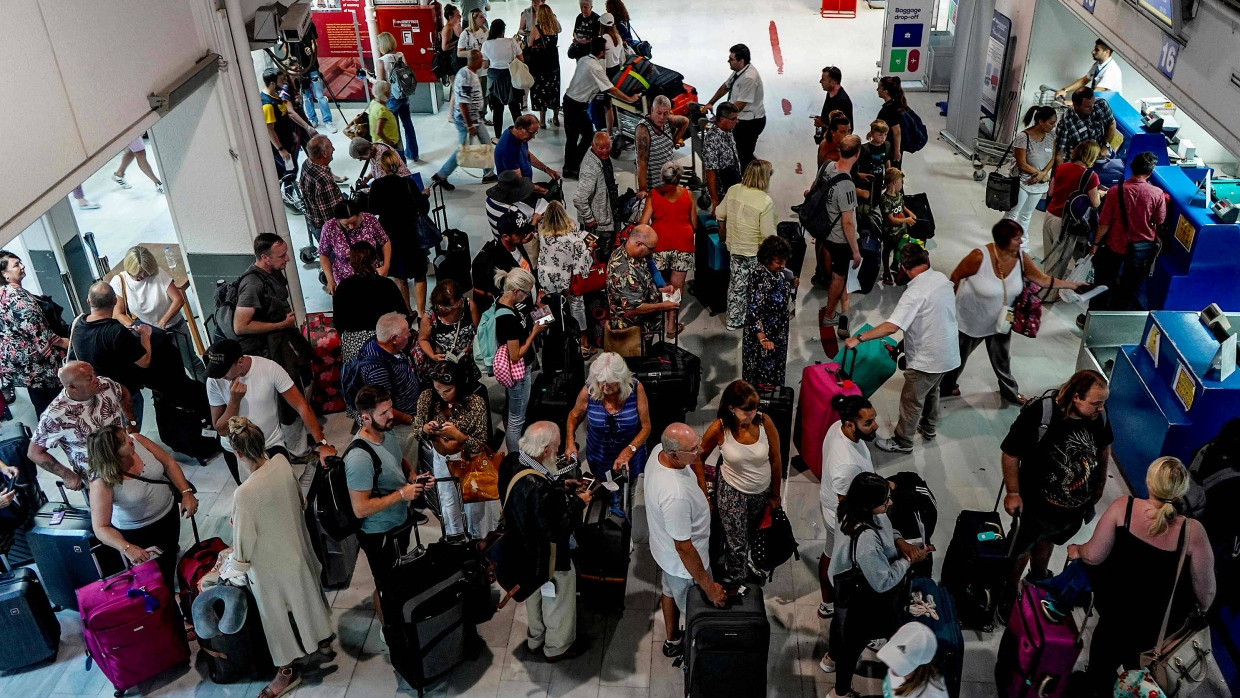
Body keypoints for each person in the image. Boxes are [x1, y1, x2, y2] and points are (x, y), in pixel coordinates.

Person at [1069, 457, 1215, 696]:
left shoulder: (1123, 508)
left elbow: (1094, 555)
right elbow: (1206, 594)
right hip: (1159, 634)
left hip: (1114, 618)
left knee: (1099, 672)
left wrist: (1077, 550)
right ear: (1181, 490)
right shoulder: (1192, 532)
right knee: (1143, 683)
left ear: (1150, 483)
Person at [225, 416, 335, 698]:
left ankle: (286, 670)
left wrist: (235, 564)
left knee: (275, 619)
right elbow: (300, 502)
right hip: (297, 548)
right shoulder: (282, 463)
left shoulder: (244, 494)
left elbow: (243, 548)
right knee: (308, 595)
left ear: (237, 453)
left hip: (270, 565)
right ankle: (322, 639)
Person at [940, 220, 1082, 404]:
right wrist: (947, 309)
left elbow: (1043, 280)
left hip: (1001, 321)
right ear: (1004, 240)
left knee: (1002, 360)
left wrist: (1073, 285)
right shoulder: (978, 257)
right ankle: (946, 386)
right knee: (958, 356)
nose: (1021, 241)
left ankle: (1010, 392)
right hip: (970, 320)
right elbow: (955, 277)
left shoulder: (1021, 257)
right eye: (1016, 238)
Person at [1001, 369, 1112, 593]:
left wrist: (1099, 485)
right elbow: (1010, 453)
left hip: (1069, 511)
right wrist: (1013, 492)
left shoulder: (1097, 416)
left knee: (1047, 542)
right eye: (1096, 403)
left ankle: (1038, 579)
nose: (1100, 408)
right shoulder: (1040, 413)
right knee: (1021, 548)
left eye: (1102, 403)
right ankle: (1009, 592)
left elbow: (1103, 447)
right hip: (1035, 506)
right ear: (1076, 397)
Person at [845, 244, 960, 455]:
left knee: (911, 401)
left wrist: (858, 338)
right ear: (927, 261)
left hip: (928, 358)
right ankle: (929, 427)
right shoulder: (941, 279)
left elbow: (892, 326)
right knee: (932, 389)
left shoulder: (914, 292)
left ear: (905, 269)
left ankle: (903, 441)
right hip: (949, 353)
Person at [822, 472, 929, 696]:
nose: (889, 503)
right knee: (852, 646)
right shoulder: (867, 541)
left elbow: (885, 528)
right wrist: (908, 560)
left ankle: (830, 658)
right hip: (862, 598)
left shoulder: (847, 508)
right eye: (884, 501)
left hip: (844, 585)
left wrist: (900, 543)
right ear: (869, 504)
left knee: (840, 627)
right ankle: (840, 692)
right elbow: (883, 581)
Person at [497, 421, 590, 661]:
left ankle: (536, 639)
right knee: (558, 597)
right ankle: (557, 647)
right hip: (548, 556)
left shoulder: (512, 462)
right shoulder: (540, 488)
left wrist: (560, 484)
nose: (558, 453)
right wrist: (579, 502)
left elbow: (527, 498)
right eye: (557, 449)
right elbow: (556, 530)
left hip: (520, 549)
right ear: (546, 450)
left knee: (533, 592)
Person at [346, 385, 433, 613]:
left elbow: (398, 458)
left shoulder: (386, 430)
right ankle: (389, 630)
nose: (391, 415)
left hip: (398, 521)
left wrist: (413, 477)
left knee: (398, 575)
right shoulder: (358, 459)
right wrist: (402, 494)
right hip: (378, 533)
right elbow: (360, 508)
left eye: (390, 409)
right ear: (365, 418)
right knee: (385, 585)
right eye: (383, 413)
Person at [645, 423, 727, 659]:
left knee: (668, 592)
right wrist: (709, 586)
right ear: (674, 455)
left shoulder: (658, 452)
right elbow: (684, 547)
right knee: (695, 612)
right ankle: (696, 655)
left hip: (665, 555)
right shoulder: (675, 495)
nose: (700, 450)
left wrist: (701, 489)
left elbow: (696, 463)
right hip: (685, 568)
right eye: (693, 449)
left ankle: (672, 640)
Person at [204, 339, 334, 484]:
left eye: (223, 371)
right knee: (254, 501)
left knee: (287, 491)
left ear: (239, 361)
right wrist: (234, 401)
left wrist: (322, 444)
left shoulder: (268, 368)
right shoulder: (214, 381)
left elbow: (301, 405)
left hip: (271, 446)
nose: (221, 376)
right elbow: (221, 429)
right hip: (237, 453)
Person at [86, 426, 196, 586]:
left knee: (170, 557)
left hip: (168, 515)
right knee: (156, 579)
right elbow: (100, 528)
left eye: (126, 435)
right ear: (112, 454)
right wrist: (127, 548)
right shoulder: (101, 482)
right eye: (124, 441)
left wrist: (186, 492)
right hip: (139, 534)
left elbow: (168, 463)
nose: (130, 440)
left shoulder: (138, 440)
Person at [699, 380, 783, 586]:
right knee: (736, 542)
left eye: (755, 409)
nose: (752, 414)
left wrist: (775, 493)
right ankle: (737, 579)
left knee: (751, 533)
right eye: (746, 411)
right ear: (731, 408)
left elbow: (776, 459)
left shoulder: (765, 422)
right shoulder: (720, 429)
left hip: (760, 492)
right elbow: (698, 458)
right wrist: (703, 492)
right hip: (732, 493)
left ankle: (740, 565)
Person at [411, 364, 492, 539]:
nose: (441, 394)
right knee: (448, 502)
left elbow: (481, 444)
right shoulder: (427, 397)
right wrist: (425, 429)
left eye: (447, 390)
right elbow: (417, 431)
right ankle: (454, 539)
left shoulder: (475, 402)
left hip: (470, 460)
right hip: (441, 459)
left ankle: (479, 542)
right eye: (437, 389)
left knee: (475, 508)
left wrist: (458, 435)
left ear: (459, 385)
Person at [816, 394, 878, 622]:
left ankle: (827, 604)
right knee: (840, 563)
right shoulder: (846, 466)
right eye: (868, 423)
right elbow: (847, 503)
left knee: (831, 554)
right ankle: (831, 603)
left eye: (874, 419)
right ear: (850, 424)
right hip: (842, 520)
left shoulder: (838, 427)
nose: (876, 426)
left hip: (832, 504)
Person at [29, 361, 136, 491]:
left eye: (94, 374)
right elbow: (34, 453)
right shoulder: (55, 415)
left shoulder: (105, 385)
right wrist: (67, 475)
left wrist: (131, 423)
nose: (97, 380)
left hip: (127, 458)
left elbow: (123, 393)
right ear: (73, 387)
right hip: (98, 475)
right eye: (89, 378)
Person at [109, 246, 204, 381]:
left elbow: (178, 300)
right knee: (166, 367)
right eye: (138, 274)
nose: (142, 276)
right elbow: (118, 313)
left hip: (174, 326)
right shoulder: (119, 281)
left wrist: (162, 323)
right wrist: (137, 327)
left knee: (190, 362)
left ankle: (209, 394)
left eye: (145, 272)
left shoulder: (158, 273)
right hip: (149, 334)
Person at [1088, 151, 1166, 315]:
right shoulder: (1157, 193)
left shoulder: (1116, 191)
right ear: (1150, 172)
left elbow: (1104, 222)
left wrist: (1095, 244)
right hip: (1141, 251)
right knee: (1128, 287)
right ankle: (1117, 318)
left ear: (1131, 167)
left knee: (1103, 283)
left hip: (1114, 246)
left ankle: (1093, 318)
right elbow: (1159, 220)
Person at [69, 282, 152, 428]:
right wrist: (145, 336)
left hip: (96, 396)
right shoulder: (116, 332)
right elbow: (144, 361)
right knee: (131, 435)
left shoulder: (76, 323)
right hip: (124, 396)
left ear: (88, 301)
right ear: (115, 301)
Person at [565, 352, 652, 489]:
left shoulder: (636, 389)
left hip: (631, 459)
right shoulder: (590, 390)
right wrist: (569, 442)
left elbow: (646, 427)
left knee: (630, 490)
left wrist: (629, 450)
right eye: (601, 381)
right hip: (598, 458)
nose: (605, 386)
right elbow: (573, 416)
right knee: (603, 491)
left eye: (610, 382)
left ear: (621, 378)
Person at [0, 250, 70, 416]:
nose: (23, 267)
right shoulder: (17, 299)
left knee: (41, 402)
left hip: (27, 367)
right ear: (5, 274)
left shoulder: (4, 293)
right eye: (16, 265)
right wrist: (65, 342)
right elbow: (38, 333)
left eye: (20, 262)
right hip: (41, 366)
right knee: (54, 407)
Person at [562, 39, 639, 177]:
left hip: (568, 100)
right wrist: (629, 99)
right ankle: (573, 167)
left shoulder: (584, 60)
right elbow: (611, 89)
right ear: (602, 52)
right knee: (587, 135)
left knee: (572, 138)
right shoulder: (596, 68)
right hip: (577, 106)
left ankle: (568, 169)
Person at [367, 149, 430, 314]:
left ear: (382, 166)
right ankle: (422, 312)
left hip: (390, 235)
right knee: (419, 274)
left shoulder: (377, 185)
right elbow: (422, 208)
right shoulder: (408, 184)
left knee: (399, 276)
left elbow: (373, 209)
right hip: (412, 234)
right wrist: (424, 196)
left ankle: (408, 311)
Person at [717, 158, 776, 330]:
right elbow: (767, 234)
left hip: (735, 248)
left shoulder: (733, 190)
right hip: (755, 252)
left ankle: (733, 321)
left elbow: (720, 213)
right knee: (758, 288)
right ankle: (755, 323)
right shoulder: (765, 201)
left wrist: (723, 235)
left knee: (737, 284)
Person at [640, 162, 697, 338]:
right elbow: (694, 224)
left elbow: (643, 223)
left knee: (660, 285)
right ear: (680, 177)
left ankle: (655, 324)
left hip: (659, 244)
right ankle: (671, 327)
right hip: (683, 244)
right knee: (676, 288)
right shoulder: (689, 195)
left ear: (662, 176)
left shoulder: (653, 195)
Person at [492, 268, 546, 453]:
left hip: (523, 369)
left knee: (515, 414)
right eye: (525, 293)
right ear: (516, 291)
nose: (526, 297)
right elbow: (515, 355)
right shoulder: (506, 318)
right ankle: (515, 458)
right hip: (519, 372)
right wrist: (534, 333)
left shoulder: (506, 303)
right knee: (516, 420)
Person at [816, 136, 862, 337]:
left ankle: (841, 311)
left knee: (839, 274)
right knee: (839, 277)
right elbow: (848, 222)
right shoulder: (847, 186)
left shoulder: (827, 167)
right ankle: (829, 314)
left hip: (825, 230)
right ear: (857, 154)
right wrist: (856, 250)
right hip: (840, 239)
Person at [535, 201, 595, 354]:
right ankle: (584, 343)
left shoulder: (542, 233)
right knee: (577, 307)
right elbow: (581, 260)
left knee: (545, 305)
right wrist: (590, 248)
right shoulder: (572, 234)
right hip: (568, 279)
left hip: (546, 278)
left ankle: (543, 338)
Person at [332, 242, 409, 361]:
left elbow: (338, 322)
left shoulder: (343, 287)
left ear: (352, 263)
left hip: (354, 348)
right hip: (385, 341)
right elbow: (403, 315)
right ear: (375, 261)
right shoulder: (387, 285)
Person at [605, 225, 678, 349]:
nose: (652, 252)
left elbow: (641, 282)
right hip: (634, 331)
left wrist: (660, 290)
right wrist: (663, 306)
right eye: (650, 249)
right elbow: (633, 309)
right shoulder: (624, 271)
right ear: (639, 244)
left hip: (645, 326)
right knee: (638, 362)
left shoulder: (632, 254)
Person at [433, 49, 497, 190]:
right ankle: (441, 175)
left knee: (486, 143)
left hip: (475, 119)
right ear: (475, 61)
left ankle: (489, 173)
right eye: (481, 59)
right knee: (463, 150)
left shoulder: (469, 73)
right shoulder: (466, 76)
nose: (483, 61)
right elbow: (462, 103)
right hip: (466, 121)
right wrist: (469, 126)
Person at [1041, 140, 1103, 286]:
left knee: (1050, 255)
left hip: (1050, 214)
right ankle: (1048, 294)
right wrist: (1099, 193)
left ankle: (1045, 284)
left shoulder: (1061, 167)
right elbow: (1095, 203)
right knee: (1058, 260)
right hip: (1066, 223)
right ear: (1091, 156)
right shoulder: (1090, 176)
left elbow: (1051, 191)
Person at [742, 236, 799, 388]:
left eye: (784, 260)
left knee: (776, 369)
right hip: (763, 336)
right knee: (761, 374)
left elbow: (783, 295)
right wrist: (763, 339)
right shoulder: (759, 279)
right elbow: (753, 312)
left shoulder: (779, 274)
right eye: (778, 261)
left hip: (778, 332)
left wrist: (792, 285)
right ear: (767, 259)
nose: (783, 265)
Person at [232, 232, 299, 357]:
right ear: (265, 258)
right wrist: (280, 325)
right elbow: (240, 326)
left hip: (282, 341)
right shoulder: (252, 285)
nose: (287, 258)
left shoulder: (273, 270)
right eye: (282, 256)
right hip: (268, 351)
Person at [350, 313, 422, 426]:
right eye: (406, 332)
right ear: (394, 339)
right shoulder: (377, 370)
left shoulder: (381, 343)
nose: (409, 334)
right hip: (402, 425)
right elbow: (382, 407)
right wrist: (411, 420)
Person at [1002, 106, 1058, 245]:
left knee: (1026, 216)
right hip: (1021, 183)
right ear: (1040, 121)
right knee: (1012, 214)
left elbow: (1053, 157)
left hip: (1039, 184)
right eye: (1051, 123)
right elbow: (1021, 163)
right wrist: (1038, 174)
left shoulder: (1052, 136)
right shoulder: (1023, 137)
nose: (1054, 126)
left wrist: (1043, 174)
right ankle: (1003, 242)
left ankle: (1022, 245)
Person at [705, 44, 765, 169]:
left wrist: (721, 117)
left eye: (731, 59)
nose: (728, 61)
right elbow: (725, 87)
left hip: (750, 123)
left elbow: (740, 105)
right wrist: (711, 102)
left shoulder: (749, 77)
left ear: (741, 61)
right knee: (740, 150)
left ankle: (752, 178)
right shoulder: (739, 71)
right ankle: (761, 170)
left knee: (743, 155)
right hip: (740, 119)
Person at [317, 199, 392, 296]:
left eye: (354, 222)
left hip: (372, 275)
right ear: (338, 220)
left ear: (360, 214)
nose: (351, 227)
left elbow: (385, 241)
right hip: (345, 279)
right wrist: (330, 279)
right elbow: (323, 254)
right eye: (346, 224)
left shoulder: (370, 220)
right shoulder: (329, 227)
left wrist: (386, 266)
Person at [473, 210, 538, 314]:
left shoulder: (517, 245)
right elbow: (502, 299)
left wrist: (538, 292)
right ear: (505, 237)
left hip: (532, 305)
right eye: (519, 233)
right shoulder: (495, 263)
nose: (524, 235)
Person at [417, 280, 481, 382]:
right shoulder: (430, 316)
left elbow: (478, 331)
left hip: (466, 361)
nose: (445, 309)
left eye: (450, 306)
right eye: (441, 306)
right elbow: (423, 339)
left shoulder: (469, 306)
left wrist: (472, 346)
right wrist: (432, 356)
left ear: (459, 300)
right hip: (443, 365)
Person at [375, 32, 419, 162]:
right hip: (404, 95)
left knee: (395, 131)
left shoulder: (381, 61)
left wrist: (369, 78)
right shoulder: (400, 56)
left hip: (392, 98)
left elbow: (380, 84)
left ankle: (401, 160)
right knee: (408, 125)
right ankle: (413, 153)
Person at [876, 622, 950, 698]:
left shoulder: (933, 694)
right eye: (892, 657)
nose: (892, 666)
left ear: (921, 666)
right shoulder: (905, 674)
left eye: (902, 664)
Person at [635, 95, 689, 197]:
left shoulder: (668, 120)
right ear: (652, 110)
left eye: (665, 113)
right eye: (658, 113)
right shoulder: (643, 129)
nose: (662, 117)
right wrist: (642, 190)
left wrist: (672, 143)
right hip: (655, 186)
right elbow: (641, 161)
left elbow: (685, 121)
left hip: (670, 181)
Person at [298, 135, 345, 252]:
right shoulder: (323, 179)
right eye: (330, 147)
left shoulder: (307, 163)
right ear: (324, 154)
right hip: (327, 232)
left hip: (313, 221)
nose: (333, 149)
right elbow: (331, 217)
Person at [495, 115, 561, 194]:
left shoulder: (516, 135)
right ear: (520, 128)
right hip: (514, 192)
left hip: (524, 186)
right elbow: (518, 182)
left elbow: (526, 154)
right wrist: (540, 189)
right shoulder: (508, 148)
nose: (533, 137)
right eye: (531, 133)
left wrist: (546, 169)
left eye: (535, 133)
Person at [1054, 87, 1118, 167]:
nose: (1092, 108)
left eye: (1093, 103)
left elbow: (1111, 123)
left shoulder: (1101, 104)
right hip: (1078, 165)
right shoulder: (1065, 122)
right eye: (1088, 107)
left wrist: (1105, 145)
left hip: (1099, 158)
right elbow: (1059, 154)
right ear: (1076, 105)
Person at [480, 20, 524, 131]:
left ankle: (498, 137)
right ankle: (519, 133)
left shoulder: (486, 45)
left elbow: (485, 65)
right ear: (503, 31)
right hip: (511, 78)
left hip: (494, 80)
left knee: (497, 111)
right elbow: (521, 60)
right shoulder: (511, 42)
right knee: (515, 109)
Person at [573, 132, 620, 236]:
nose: (605, 151)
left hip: (606, 218)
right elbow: (579, 199)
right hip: (597, 227)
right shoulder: (590, 169)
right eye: (601, 148)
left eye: (608, 148)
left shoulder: (601, 158)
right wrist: (589, 218)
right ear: (592, 145)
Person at [701, 101, 742, 216]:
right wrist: (714, 200)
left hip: (733, 187)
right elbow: (710, 172)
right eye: (733, 119)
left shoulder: (728, 131)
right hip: (722, 193)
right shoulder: (711, 141)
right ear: (722, 119)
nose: (736, 121)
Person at [294, 22, 336, 133]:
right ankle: (312, 119)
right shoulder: (290, 28)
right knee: (306, 96)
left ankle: (327, 120)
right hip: (301, 69)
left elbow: (314, 42)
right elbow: (286, 47)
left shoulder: (308, 25)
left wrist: (311, 50)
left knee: (320, 95)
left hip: (312, 66)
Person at [526, 4, 562, 128]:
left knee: (541, 90)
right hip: (553, 63)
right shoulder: (555, 27)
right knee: (554, 89)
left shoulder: (536, 29)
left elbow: (530, 45)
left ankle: (541, 121)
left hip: (540, 64)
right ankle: (556, 117)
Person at [1055, 37, 1124, 100]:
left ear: (1107, 52)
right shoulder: (1098, 64)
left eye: (1097, 50)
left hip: (1110, 107)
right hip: (1098, 101)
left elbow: (1097, 91)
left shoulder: (1111, 69)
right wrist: (1064, 90)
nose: (1093, 52)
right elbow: (1084, 80)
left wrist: (1074, 103)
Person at [880, 168, 915, 285]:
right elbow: (891, 220)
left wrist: (910, 213)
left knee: (899, 249)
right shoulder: (885, 199)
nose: (902, 184)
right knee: (887, 250)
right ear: (895, 182)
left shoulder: (899, 195)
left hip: (901, 231)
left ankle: (895, 265)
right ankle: (886, 272)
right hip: (890, 233)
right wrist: (906, 220)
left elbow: (902, 206)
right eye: (901, 181)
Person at [485, 172, 548, 237]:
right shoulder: (514, 212)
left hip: (498, 237)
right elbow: (526, 235)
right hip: (516, 241)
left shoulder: (489, 199)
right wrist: (535, 220)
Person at [855, 119, 894, 211]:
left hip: (879, 177)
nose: (883, 138)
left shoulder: (887, 146)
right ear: (872, 134)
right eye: (880, 135)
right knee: (865, 201)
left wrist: (888, 177)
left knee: (876, 198)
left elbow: (887, 161)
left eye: (885, 135)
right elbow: (857, 166)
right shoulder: (864, 149)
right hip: (866, 180)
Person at [815, 66, 853, 140]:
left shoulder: (843, 101)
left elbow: (847, 129)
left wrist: (822, 124)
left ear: (832, 82)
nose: (820, 81)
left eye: (823, 79)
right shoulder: (830, 94)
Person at [365, 80, 402, 151]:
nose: (390, 93)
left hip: (377, 142)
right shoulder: (382, 110)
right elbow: (379, 131)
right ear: (384, 93)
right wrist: (388, 142)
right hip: (386, 146)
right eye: (389, 91)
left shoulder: (374, 103)